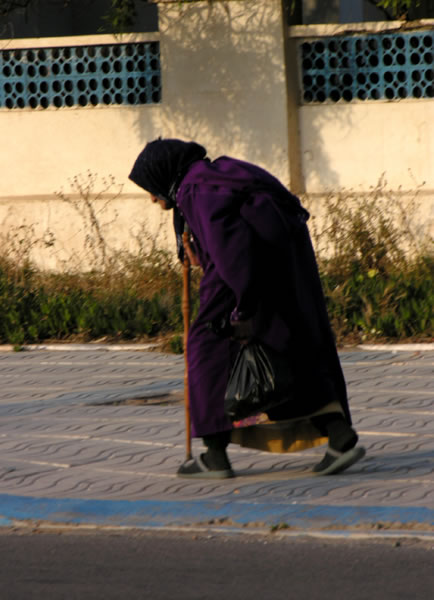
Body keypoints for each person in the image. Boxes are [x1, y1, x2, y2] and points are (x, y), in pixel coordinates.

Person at [129, 138, 366, 479]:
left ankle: (214, 455)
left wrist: (244, 307)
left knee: (207, 350)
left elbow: (231, 249)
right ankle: (339, 435)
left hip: (242, 279)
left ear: (164, 175)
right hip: (281, 269)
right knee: (283, 352)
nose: (152, 198)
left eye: (151, 188)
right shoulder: (214, 174)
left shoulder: (197, 190)